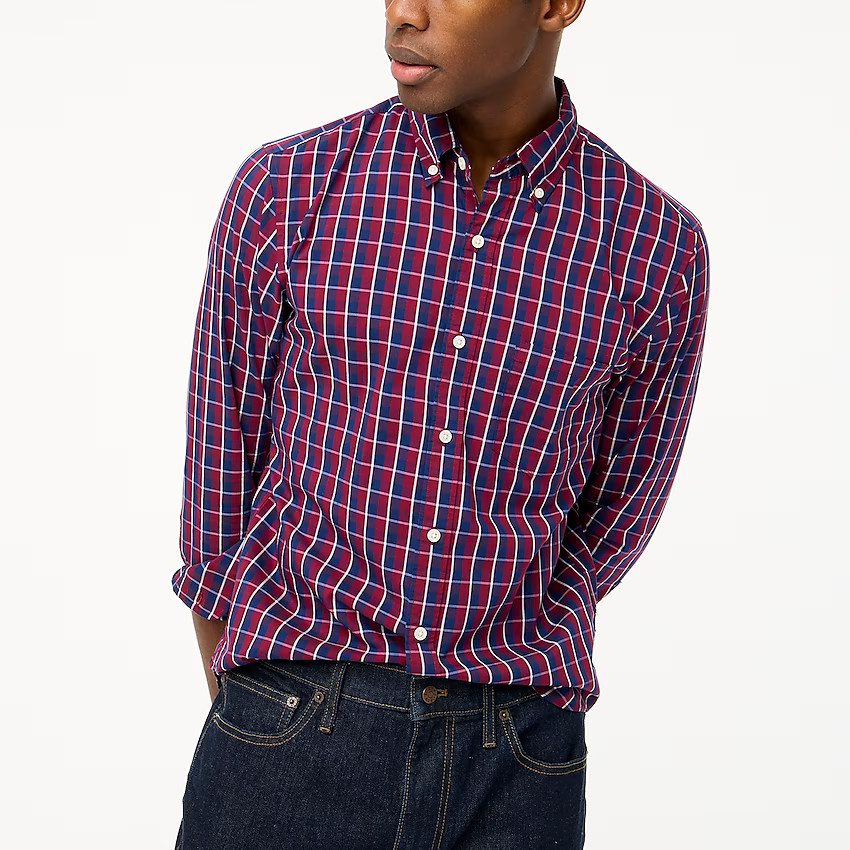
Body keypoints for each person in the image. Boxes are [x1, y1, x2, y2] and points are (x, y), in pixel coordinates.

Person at [171, 1, 710, 847]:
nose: (404, 13)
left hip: (516, 754)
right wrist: (260, 696)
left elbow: (623, 502)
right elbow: (221, 452)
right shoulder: (290, 186)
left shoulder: (655, 244)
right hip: (290, 721)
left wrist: (517, 633)